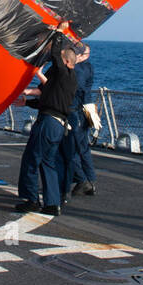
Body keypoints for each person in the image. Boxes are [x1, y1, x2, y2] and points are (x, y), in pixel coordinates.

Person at [15, 25, 77, 215]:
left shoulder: (64, 74)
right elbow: (49, 99)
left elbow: (56, 56)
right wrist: (28, 103)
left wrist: (59, 32)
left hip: (48, 123)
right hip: (58, 124)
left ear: (66, 62)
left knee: (31, 160)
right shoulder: (67, 80)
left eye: (59, 61)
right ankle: (52, 203)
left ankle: (31, 199)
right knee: (48, 162)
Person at [68, 42, 98, 197]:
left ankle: (82, 180)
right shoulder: (89, 68)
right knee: (83, 147)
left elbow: (75, 89)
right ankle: (90, 181)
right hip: (86, 110)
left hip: (76, 112)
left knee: (71, 148)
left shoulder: (78, 70)